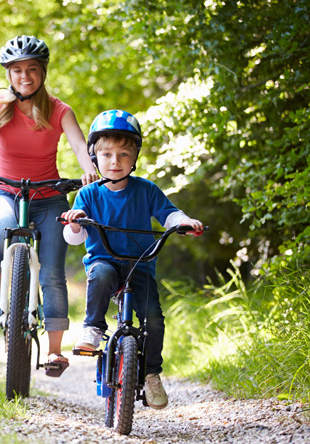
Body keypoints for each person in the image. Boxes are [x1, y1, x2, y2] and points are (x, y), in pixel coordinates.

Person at [0, 35, 99, 378]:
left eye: (32, 69)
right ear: (8, 74)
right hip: (4, 192)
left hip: (49, 200)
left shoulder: (60, 110)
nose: (25, 76)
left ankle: (55, 351)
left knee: (52, 274)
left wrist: (89, 166)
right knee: (2, 226)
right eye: (17, 70)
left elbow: (79, 144)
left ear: (43, 72)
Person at [61, 109, 204, 409]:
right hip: (106, 261)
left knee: (154, 318)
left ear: (135, 156)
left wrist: (184, 221)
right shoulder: (88, 194)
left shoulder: (146, 190)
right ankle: (93, 327)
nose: (115, 162)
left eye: (124, 154)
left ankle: (151, 373)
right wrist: (76, 221)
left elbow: (169, 213)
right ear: (94, 157)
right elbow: (75, 237)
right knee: (99, 276)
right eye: (108, 154)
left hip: (140, 264)